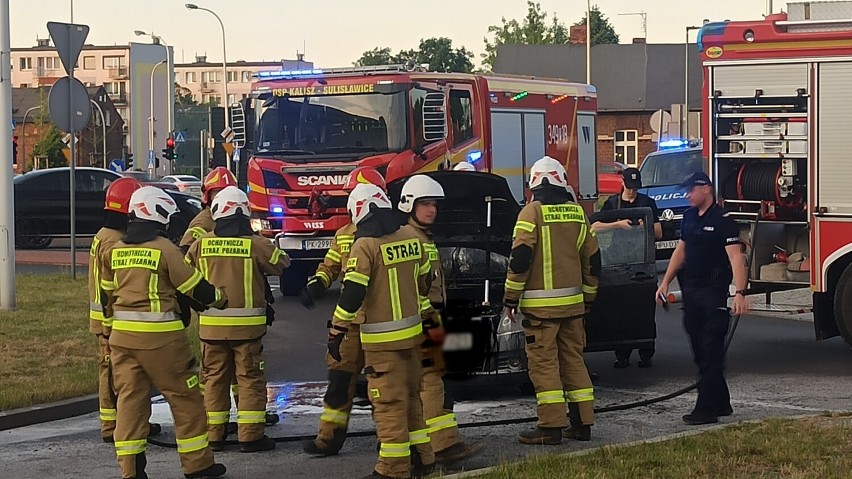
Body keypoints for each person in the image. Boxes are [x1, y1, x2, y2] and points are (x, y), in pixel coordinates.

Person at [100, 186, 228, 479]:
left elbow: (107, 294)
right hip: (161, 339)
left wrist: (107, 333)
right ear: (157, 215)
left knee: (130, 401)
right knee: (185, 398)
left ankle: (131, 470)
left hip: (122, 339)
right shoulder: (164, 249)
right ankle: (198, 465)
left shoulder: (115, 250)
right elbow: (193, 285)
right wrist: (220, 298)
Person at [333, 183, 436, 479]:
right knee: (412, 399)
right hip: (413, 335)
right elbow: (426, 278)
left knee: (389, 404)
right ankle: (423, 459)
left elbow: (352, 293)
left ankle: (392, 469)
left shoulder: (364, 246)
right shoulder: (411, 237)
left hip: (382, 342)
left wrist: (337, 331)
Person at [503, 156, 600, 445]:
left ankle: (551, 427)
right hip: (573, 307)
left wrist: (510, 299)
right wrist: (589, 299)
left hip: (540, 311)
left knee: (544, 366)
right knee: (574, 361)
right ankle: (582, 424)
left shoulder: (530, 214)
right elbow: (593, 261)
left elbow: (520, 260)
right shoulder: (577, 213)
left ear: (533, 184)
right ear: (561, 181)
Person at [185, 186, 290, 453]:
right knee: (249, 378)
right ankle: (251, 436)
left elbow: (186, 276)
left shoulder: (201, 244)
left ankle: (214, 435)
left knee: (214, 380)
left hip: (211, 329)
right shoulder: (255, 244)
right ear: (244, 212)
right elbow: (282, 263)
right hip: (248, 330)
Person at [301, 167, 388, 456]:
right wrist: (316, 283)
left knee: (384, 387)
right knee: (339, 383)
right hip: (350, 324)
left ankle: (389, 441)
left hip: (379, 321)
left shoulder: (392, 234)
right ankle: (328, 440)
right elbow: (331, 266)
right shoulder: (343, 234)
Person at [397, 175, 482, 465]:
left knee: (428, 381)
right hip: (425, 321)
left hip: (427, 319)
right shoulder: (411, 239)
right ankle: (442, 445)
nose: (432, 210)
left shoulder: (419, 237)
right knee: (432, 380)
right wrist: (430, 320)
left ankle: (426, 448)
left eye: (434, 204)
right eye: (425, 204)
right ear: (410, 204)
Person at [656, 172, 747, 426]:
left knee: (710, 350)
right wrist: (664, 282)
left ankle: (706, 409)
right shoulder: (688, 218)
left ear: (706, 189)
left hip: (713, 291)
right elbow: (680, 251)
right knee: (699, 351)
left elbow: (736, 258)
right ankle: (721, 401)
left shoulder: (723, 220)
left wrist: (740, 293)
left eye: (691, 190)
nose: (687, 195)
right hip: (693, 292)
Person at [88, 177, 163, 443]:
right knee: (113, 374)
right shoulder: (114, 242)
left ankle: (133, 421)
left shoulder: (104, 236)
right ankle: (113, 426)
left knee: (122, 373)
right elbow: (114, 285)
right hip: (112, 320)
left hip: (109, 319)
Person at [592, 167, 662, 368]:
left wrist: (643, 226)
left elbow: (658, 233)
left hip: (642, 259)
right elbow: (594, 226)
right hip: (618, 259)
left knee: (644, 309)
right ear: (622, 183)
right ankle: (622, 354)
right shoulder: (612, 203)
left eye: (635, 188)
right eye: (629, 187)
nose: (632, 192)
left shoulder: (647, 203)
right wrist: (618, 224)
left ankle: (646, 352)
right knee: (620, 308)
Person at [180, 167, 237, 253]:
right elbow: (186, 250)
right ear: (208, 196)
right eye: (217, 192)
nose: (223, 196)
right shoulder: (203, 221)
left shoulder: (238, 216)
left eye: (227, 191)